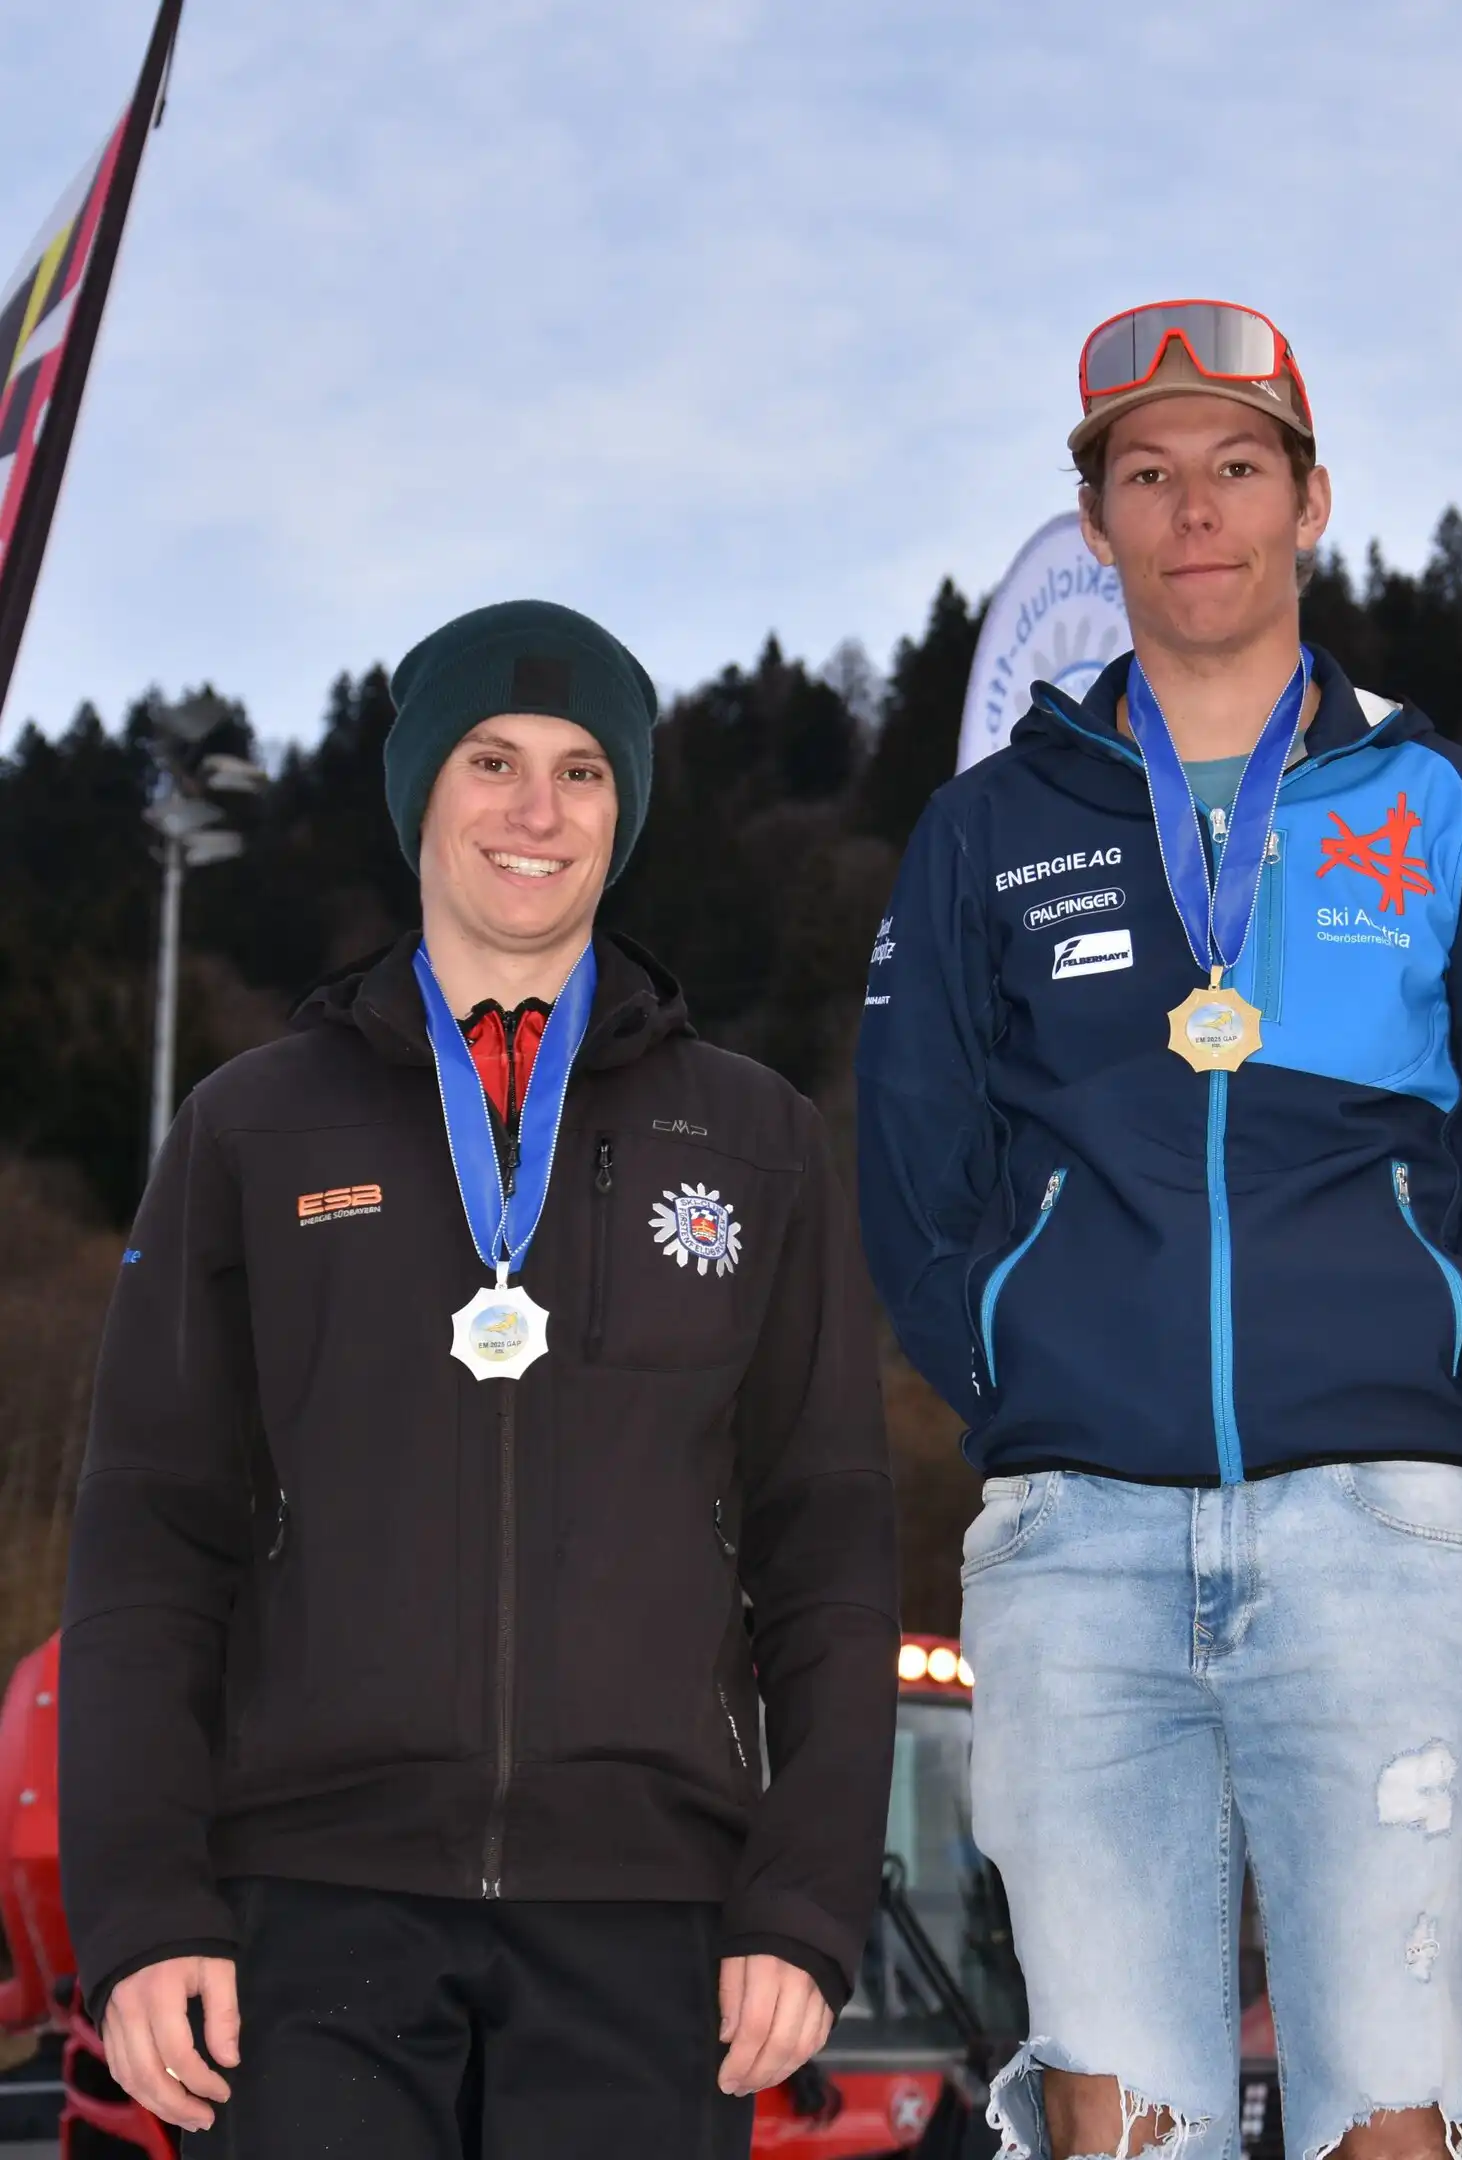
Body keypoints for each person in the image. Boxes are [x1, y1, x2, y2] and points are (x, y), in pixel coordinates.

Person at [856, 301, 1462, 2160]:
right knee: (1117, 2116)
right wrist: (1022, 1372)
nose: (1195, 510)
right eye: (1147, 474)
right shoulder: (983, 831)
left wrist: (1428, 1378)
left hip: (1379, 1532)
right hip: (1072, 1546)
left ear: (1312, 500)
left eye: (1237, 467)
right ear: (1097, 524)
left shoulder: (1445, 812)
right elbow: (912, 1160)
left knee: (1396, 2106)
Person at [60, 600, 899, 2156]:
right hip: (305, 1917)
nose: (538, 810)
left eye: (585, 772)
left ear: (625, 811)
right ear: (418, 799)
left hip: (656, 1924)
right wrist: (141, 1905)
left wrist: (802, 1901)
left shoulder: (754, 1136)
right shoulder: (253, 1129)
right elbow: (145, 1542)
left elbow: (827, 1549)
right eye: (493, 761)